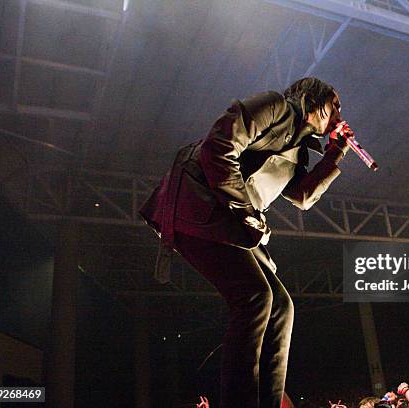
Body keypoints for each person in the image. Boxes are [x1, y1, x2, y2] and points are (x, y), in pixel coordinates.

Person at [139, 77, 352, 408]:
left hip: (232, 221)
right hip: (199, 204)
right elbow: (218, 147)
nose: (339, 112)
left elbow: (303, 196)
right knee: (255, 296)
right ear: (311, 100)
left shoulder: (300, 149)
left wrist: (336, 151)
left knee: (281, 307)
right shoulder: (274, 106)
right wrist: (248, 211)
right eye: (334, 104)